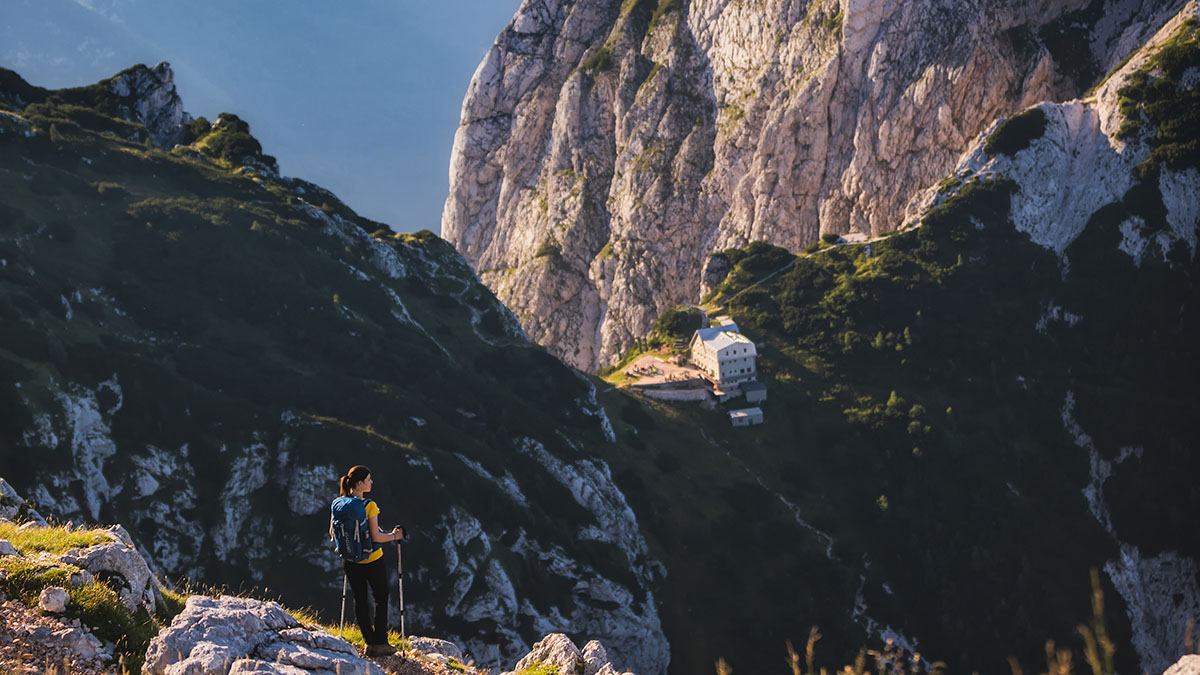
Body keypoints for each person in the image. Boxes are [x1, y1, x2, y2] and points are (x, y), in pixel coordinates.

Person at [334, 465, 405, 657]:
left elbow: (333, 532)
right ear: (359, 483)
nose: (371, 482)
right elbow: (375, 537)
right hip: (372, 561)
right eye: (368, 479)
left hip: (350, 561)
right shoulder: (369, 505)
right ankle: (380, 643)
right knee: (381, 598)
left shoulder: (339, 503)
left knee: (360, 600)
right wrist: (395, 536)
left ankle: (369, 643)